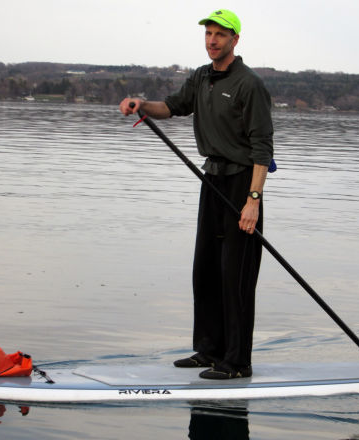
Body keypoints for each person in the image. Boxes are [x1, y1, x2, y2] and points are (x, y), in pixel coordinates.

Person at [119, 9, 274, 379]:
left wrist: (252, 202)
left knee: (235, 275)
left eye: (220, 34)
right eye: (208, 34)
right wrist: (142, 104)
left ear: (235, 40)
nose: (212, 40)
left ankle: (237, 362)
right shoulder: (201, 76)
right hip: (211, 181)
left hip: (241, 184)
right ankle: (209, 351)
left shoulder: (248, 84)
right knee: (205, 269)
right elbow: (172, 107)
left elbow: (262, 148)